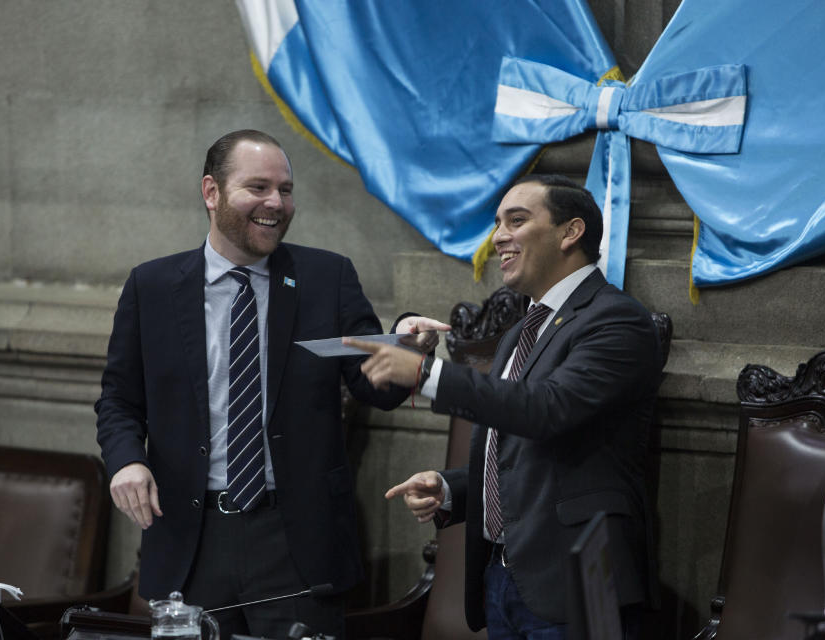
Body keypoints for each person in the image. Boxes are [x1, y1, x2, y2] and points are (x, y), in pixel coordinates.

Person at [95, 129, 447, 639]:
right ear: (211, 192)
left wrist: (411, 344)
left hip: (294, 538)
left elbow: (378, 388)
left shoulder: (326, 278)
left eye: (285, 190)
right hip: (191, 537)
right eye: (258, 188)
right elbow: (119, 399)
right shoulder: (152, 287)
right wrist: (126, 460)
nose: (276, 203)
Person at [345, 174, 662, 639]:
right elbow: (523, 450)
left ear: (570, 232)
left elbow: (547, 410)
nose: (499, 238)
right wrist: (453, 489)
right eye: (497, 224)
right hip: (503, 581)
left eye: (517, 220)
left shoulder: (616, 319)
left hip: (581, 581)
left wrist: (424, 374)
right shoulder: (522, 329)